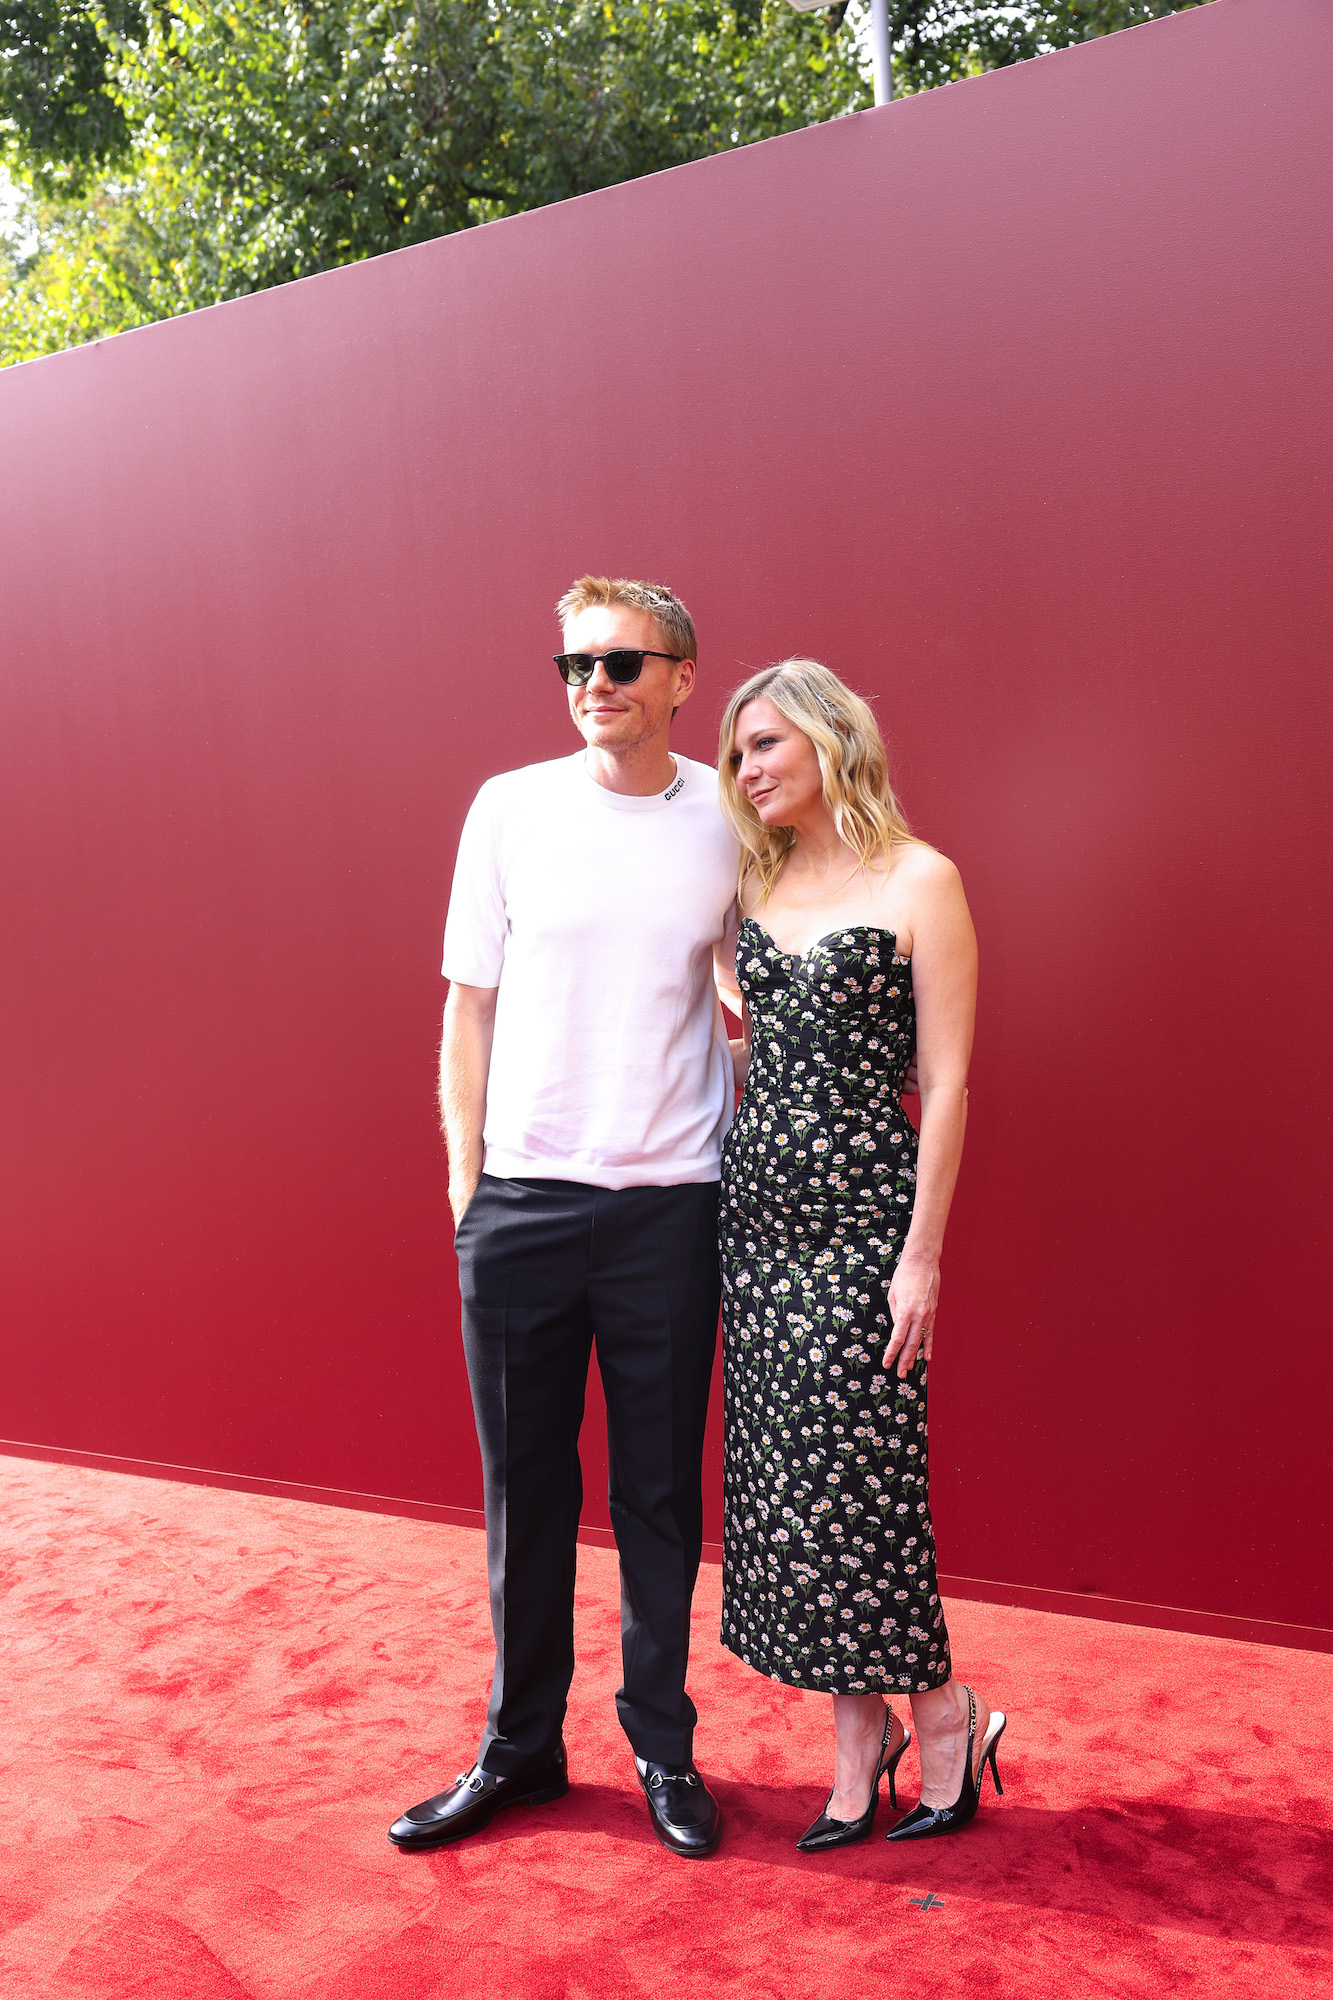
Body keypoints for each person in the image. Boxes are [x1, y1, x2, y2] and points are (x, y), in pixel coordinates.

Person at [389, 577, 737, 1858]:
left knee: (656, 1495)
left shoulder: (727, 815)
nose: (594, 681)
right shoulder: (510, 807)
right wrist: (465, 1186)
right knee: (523, 1490)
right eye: (573, 663)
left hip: (670, 1211)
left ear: (683, 676)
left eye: (622, 660)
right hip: (523, 1207)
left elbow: (760, 980)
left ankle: (660, 1744)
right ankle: (520, 1748)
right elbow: (465, 1003)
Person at [715, 658, 1006, 1849]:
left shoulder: (921, 879)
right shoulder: (758, 875)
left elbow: (943, 1083)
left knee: (865, 1482)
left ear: (835, 740)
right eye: (738, 753)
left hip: (863, 1226)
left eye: (766, 744)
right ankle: (859, 1735)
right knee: (789, 1486)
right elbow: (752, 1046)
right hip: (754, 1224)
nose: (747, 770)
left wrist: (920, 1255)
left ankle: (943, 1712)